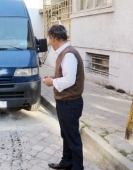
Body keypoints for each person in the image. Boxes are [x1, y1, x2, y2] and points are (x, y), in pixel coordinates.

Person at [43, 25, 85, 170]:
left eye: (50, 39)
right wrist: (54, 77)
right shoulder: (66, 52)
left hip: (70, 103)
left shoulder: (68, 54)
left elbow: (70, 80)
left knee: (72, 137)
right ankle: (67, 162)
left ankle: (77, 167)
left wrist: (52, 82)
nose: (50, 42)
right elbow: (67, 76)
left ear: (53, 38)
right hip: (66, 102)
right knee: (66, 134)